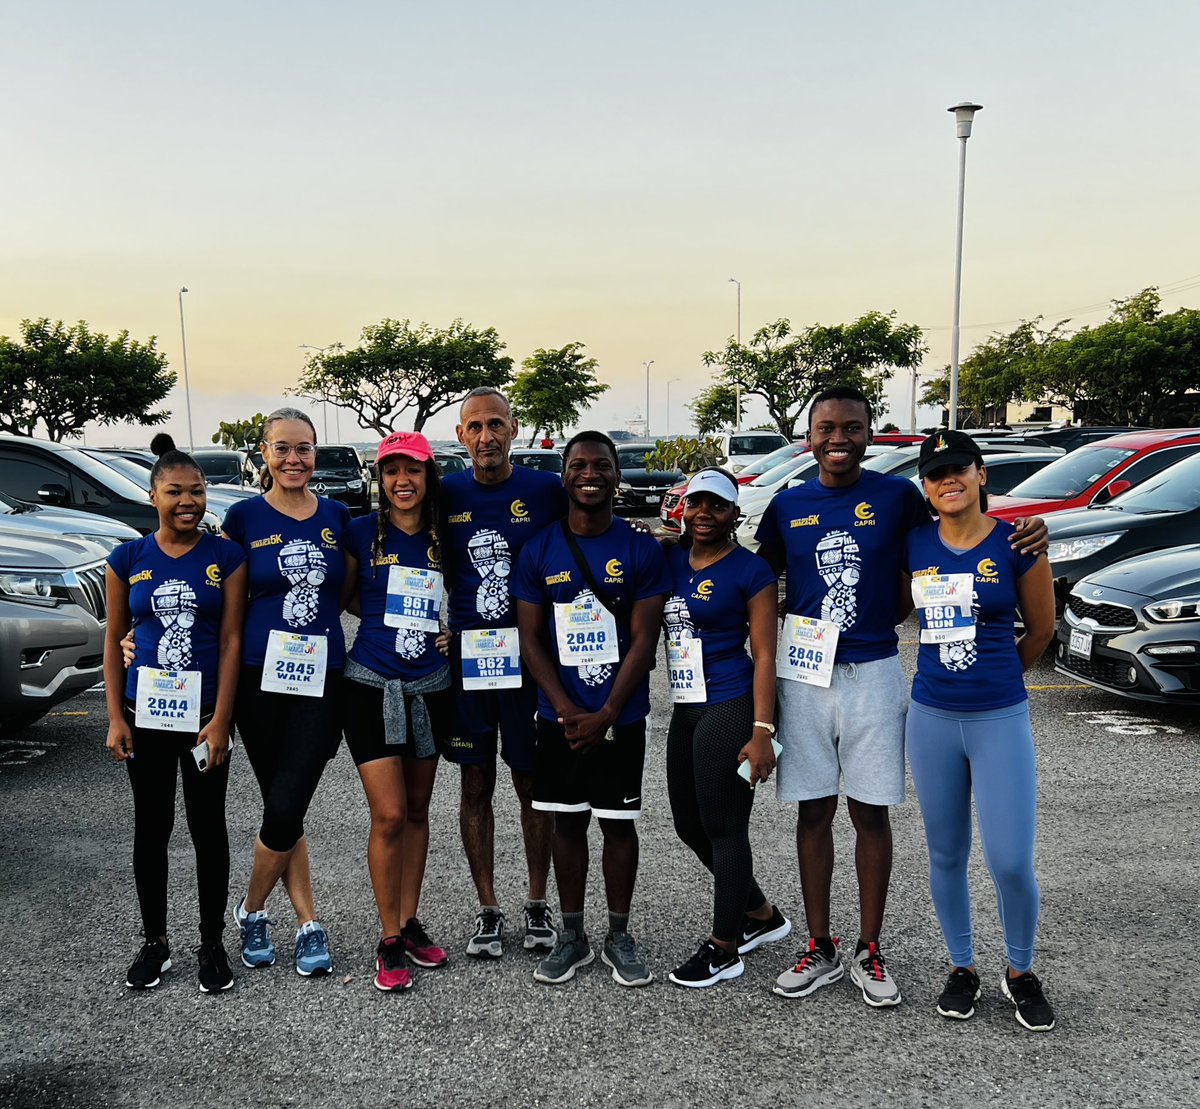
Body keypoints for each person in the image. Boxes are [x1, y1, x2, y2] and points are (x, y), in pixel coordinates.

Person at [755, 386, 1046, 1008]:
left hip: (877, 670)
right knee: (813, 810)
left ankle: (869, 947)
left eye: (852, 428)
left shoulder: (898, 499)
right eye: (826, 428)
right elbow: (757, 576)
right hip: (805, 674)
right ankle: (818, 945)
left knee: (870, 811)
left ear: (868, 434)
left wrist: (1029, 533)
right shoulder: (785, 504)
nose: (839, 439)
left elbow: (959, 531)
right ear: (808, 437)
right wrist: (677, 557)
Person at [903, 430, 1057, 1031]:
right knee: (946, 852)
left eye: (959, 469)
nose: (949, 480)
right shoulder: (914, 543)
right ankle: (962, 966)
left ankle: (1019, 972)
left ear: (981, 474)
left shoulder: (1019, 542)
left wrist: (996, 683)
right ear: (926, 486)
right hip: (931, 716)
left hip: (998, 717)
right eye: (936, 473)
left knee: (1011, 859)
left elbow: (1040, 631)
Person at [513, 431, 670, 987]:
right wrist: (564, 709)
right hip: (557, 717)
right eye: (578, 465)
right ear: (564, 476)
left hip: (619, 718)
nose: (590, 474)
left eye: (600, 465)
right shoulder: (539, 549)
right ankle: (574, 935)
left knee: (619, 825)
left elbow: (644, 640)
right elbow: (530, 639)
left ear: (615, 475)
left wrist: (604, 714)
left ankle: (619, 934)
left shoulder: (640, 548)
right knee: (566, 821)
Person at [103, 449, 247, 993]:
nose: (188, 502)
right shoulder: (127, 557)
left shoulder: (226, 557)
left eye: (197, 491)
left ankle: (211, 943)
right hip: (145, 716)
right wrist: (116, 717)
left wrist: (222, 721)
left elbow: (232, 640)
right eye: (175, 492)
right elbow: (113, 639)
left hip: (203, 716)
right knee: (152, 828)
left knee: (209, 829)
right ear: (153, 496)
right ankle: (155, 942)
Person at [222, 406, 351, 977]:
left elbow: (352, 593)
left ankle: (250, 909)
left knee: (288, 797)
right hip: (257, 676)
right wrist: (135, 639)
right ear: (264, 454)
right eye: (282, 448)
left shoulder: (339, 516)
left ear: (315, 454)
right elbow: (220, 603)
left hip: (321, 678)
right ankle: (307, 923)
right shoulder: (243, 518)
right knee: (284, 803)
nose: (294, 459)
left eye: (304, 449)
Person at [441, 388, 566, 958]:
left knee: (531, 784)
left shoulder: (544, 490)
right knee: (474, 784)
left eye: (495, 425)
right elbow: (401, 553)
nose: (485, 437)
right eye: (474, 427)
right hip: (468, 666)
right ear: (461, 435)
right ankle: (488, 909)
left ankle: (537, 903)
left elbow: (586, 538)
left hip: (529, 665)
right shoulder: (445, 493)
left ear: (514, 429)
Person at [660, 468, 792, 988]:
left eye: (717, 506)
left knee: (724, 827)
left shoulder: (751, 571)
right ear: (684, 508)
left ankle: (724, 947)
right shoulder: (671, 559)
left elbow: (763, 654)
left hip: (731, 702)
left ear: (735, 513)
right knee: (687, 825)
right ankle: (761, 913)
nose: (705, 515)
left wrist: (763, 729)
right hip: (686, 703)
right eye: (696, 504)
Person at [342, 430, 453, 992]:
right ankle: (387, 937)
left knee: (416, 811)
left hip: (430, 687)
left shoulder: (447, 537)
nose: (402, 481)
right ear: (379, 479)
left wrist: (457, 632)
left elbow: (477, 596)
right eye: (391, 471)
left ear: (429, 476)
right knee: (386, 815)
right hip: (368, 686)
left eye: (413, 470)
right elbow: (326, 598)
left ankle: (409, 920)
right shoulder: (358, 533)